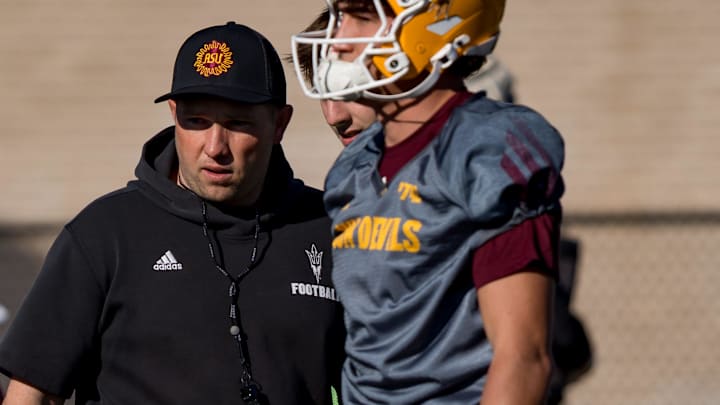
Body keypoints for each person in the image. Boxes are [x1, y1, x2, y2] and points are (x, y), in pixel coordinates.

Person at [0, 22, 345, 405]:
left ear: (279, 124)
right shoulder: (104, 235)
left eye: (237, 123)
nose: (215, 146)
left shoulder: (332, 231)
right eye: (196, 121)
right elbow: (32, 396)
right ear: (173, 113)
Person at [291, 8, 593, 404]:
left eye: (362, 17)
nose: (339, 38)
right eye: (341, 17)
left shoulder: (485, 149)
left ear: (431, 29)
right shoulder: (353, 167)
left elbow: (523, 357)